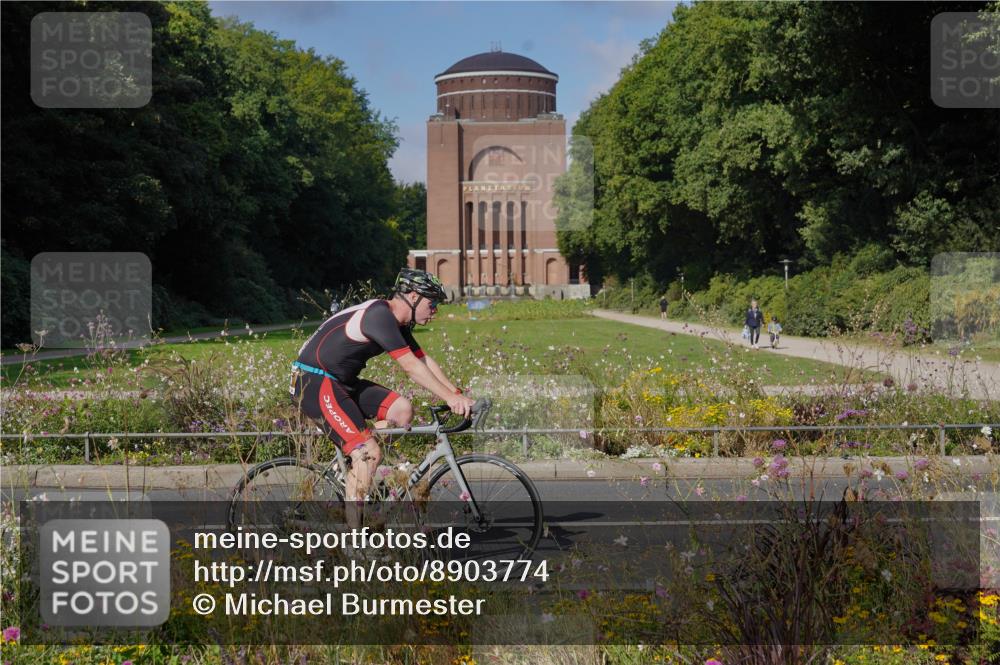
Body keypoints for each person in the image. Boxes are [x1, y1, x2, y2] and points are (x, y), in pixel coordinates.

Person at [291, 268, 475, 510]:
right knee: (369, 453)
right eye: (432, 304)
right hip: (314, 381)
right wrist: (450, 398)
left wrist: (457, 394)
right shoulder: (379, 315)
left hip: (340, 382)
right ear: (412, 297)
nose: (435, 311)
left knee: (402, 410)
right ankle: (354, 544)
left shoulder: (398, 323)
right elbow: (410, 367)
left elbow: (422, 360)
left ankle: (348, 471)